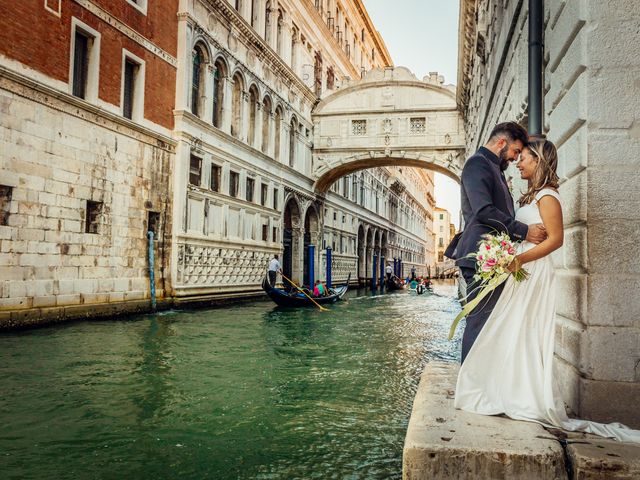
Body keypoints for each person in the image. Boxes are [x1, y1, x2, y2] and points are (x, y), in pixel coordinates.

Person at [455, 138, 640, 443]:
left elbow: (555, 240)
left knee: (524, 329)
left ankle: (522, 393)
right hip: (521, 268)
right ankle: (505, 388)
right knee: (510, 328)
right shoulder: (531, 197)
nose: (518, 162)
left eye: (524, 158)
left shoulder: (548, 196)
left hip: (533, 270)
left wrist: (518, 258)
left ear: (538, 161)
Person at [444, 121, 547, 362]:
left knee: (489, 323)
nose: (514, 158)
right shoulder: (477, 164)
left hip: (492, 256)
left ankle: (479, 384)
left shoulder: (492, 167)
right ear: (502, 143)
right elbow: (483, 211)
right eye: (514, 152)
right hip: (481, 257)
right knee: (480, 322)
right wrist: (525, 231)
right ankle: (469, 389)